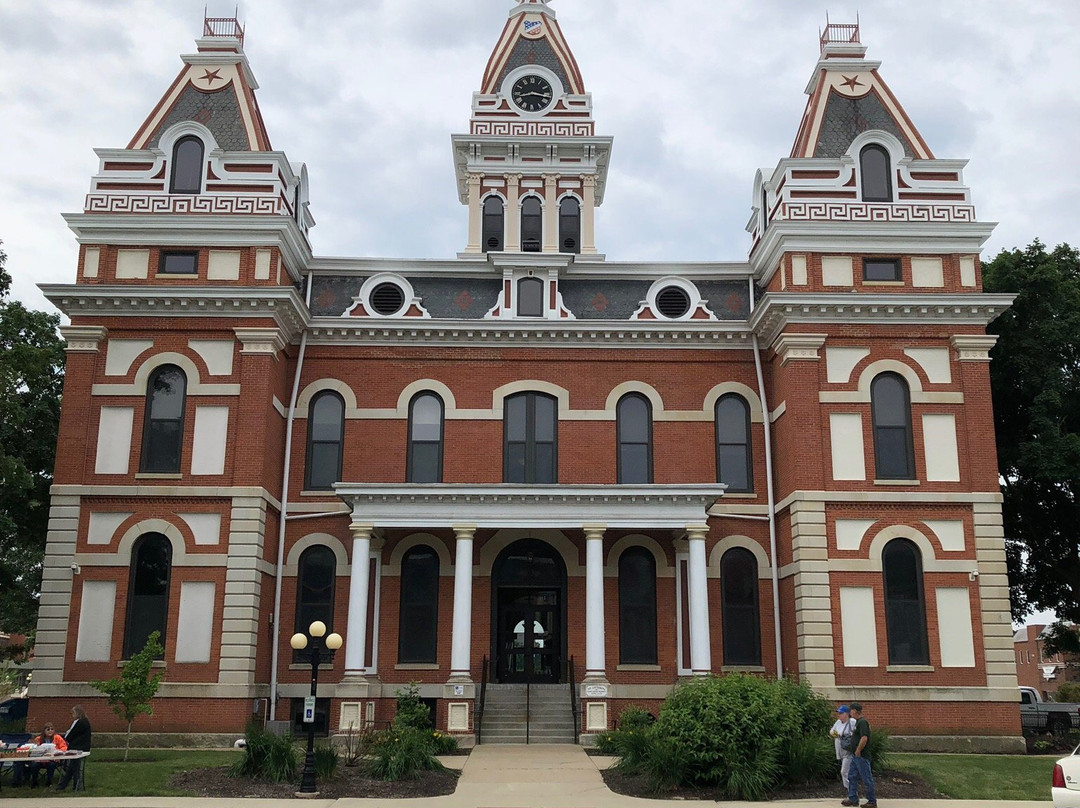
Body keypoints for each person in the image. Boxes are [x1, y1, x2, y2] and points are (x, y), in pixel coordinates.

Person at [11, 722, 68, 787]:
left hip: (52, 759)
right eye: (48, 729)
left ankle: (49, 781)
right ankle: (34, 782)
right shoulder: (38, 739)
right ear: (44, 731)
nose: (50, 731)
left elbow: (64, 747)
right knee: (34, 765)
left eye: (52, 729)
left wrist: (57, 752)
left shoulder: (57, 737)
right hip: (40, 760)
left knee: (51, 765)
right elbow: (33, 748)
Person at [841, 702, 876, 808]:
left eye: (851, 710)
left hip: (861, 756)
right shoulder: (857, 722)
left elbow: (864, 738)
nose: (850, 713)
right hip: (855, 756)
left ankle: (872, 801)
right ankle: (853, 798)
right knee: (852, 776)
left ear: (855, 711)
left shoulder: (862, 722)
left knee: (866, 778)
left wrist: (858, 750)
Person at [55, 705, 91, 792]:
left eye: (73, 713)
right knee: (72, 767)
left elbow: (70, 735)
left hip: (77, 747)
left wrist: (66, 736)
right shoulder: (85, 721)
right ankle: (63, 785)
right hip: (83, 747)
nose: (72, 715)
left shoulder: (79, 722)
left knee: (74, 767)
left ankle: (75, 785)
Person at [829, 705, 856, 791]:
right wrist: (838, 734)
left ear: (847, 714)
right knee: (846, 772)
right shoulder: (838, 722)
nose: (839, 715)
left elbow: (856, 733)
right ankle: (850, 790)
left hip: (848, 751)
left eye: (841, 713)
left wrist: (843, 735)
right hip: (840, 750)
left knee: (844, 772)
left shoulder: (852, 722)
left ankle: (851, 791)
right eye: (839, 713)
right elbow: (832, 731)